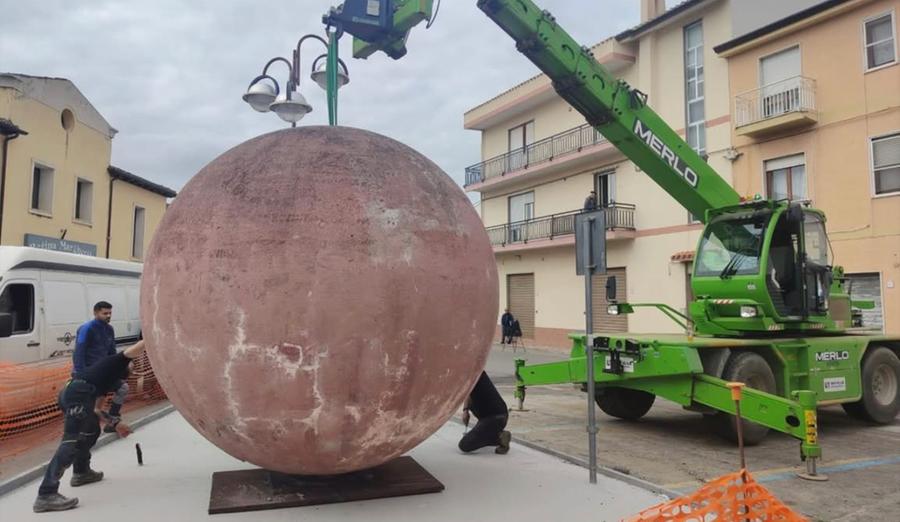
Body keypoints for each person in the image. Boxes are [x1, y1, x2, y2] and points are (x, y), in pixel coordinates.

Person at [33, 340, 145, 512]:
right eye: (132, 364)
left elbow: (96, 410)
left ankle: (81, 472)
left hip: (78, 394)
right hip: (77, 394)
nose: (133, 368)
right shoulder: (115, 362)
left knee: (92, 429)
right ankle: (46, 494)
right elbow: (131, 351)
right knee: (70, 441)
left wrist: (115, 423)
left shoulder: (109, 379)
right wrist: (151, 339)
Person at [73, 301, 129, 433]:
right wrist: (79, 374)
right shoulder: (86, 329)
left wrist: (117, 368)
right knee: (90, 403)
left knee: (123, 388)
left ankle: (113, 420)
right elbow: (79, 351)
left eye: (110, 313)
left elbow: (112, 352)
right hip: (89, 372)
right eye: (105, 313)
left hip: (103, 371)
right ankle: (84, 430)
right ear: (96, 313)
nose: (108, 316)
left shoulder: (109, 330)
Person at [459, 371, 511, 454]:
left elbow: (468, 390)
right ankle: (493, 434)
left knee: (464, 445)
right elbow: (468, 392)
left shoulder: (475, 373)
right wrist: (465, 410)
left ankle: (499, 437)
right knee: (476, 437)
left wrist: (466, 411)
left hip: (495, 418)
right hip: (491, 417)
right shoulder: (473, 373)